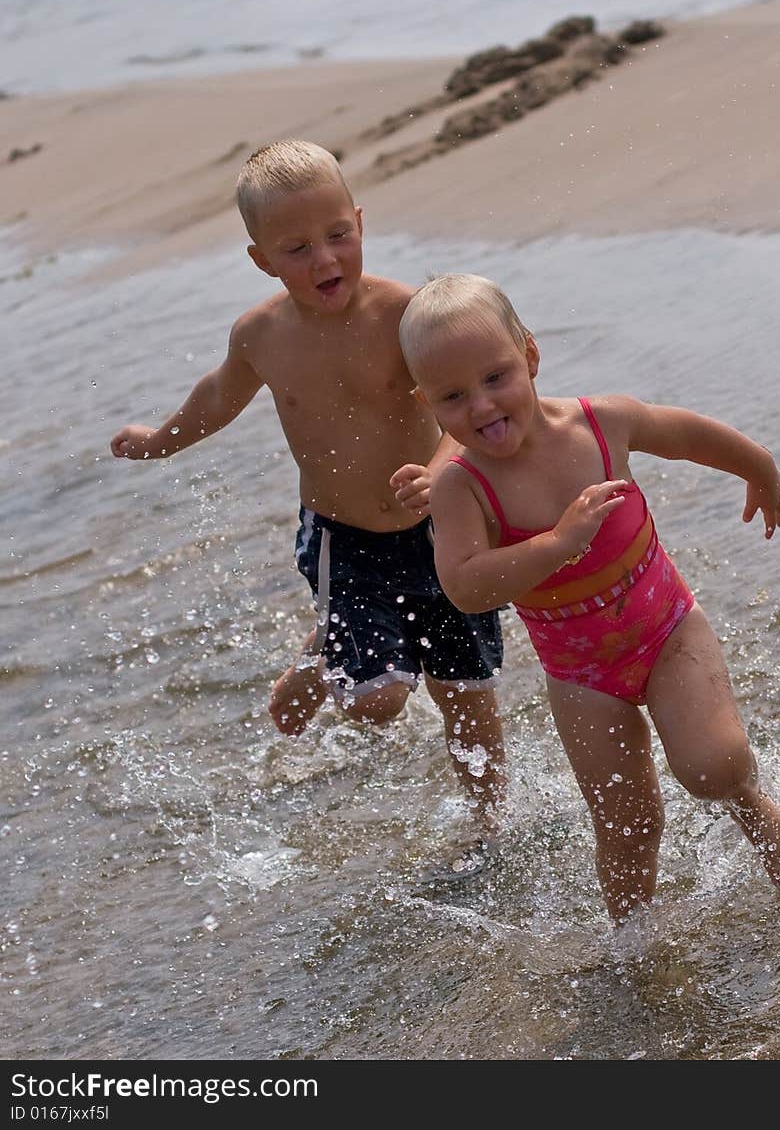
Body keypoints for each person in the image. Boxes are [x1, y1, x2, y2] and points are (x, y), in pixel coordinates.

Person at [110, 143, 505, 833]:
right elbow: (216, 401)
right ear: (261, 258)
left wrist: (444, 467)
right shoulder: (262, 335)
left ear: (359, 222)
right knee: (376, 701)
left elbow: (464, 408)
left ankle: (488, 824)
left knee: (463, 694)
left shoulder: (406, 316)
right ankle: (326, 656)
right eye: (296, 249)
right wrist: (157, 441)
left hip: (443, 528)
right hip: (342, 539)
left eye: (337, 236)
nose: (324, 260)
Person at [398, 273, 780, 921]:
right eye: (453, 396)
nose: (480, 406)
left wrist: (756, 465)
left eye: (495, 377)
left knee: (712, 766)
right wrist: (557, 544)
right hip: (581, 675)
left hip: (667, 630)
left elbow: (683, 435)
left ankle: (749, 805)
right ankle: (632, 944)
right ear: (428, 406)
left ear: (530, 356)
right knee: (626, 824)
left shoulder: (599, 422)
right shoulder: (461, 487)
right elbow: (466, 586)